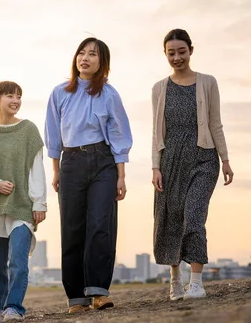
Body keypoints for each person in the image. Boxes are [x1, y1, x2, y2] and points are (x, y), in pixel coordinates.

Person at [44, 38, 132, 314]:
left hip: (103, 162)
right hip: (70, 162)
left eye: (92, 54)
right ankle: (76, 298)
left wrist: (121, 175)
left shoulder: (108, 93)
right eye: (81, 53)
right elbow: (54, 135)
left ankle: (98, 291)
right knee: (72, 227)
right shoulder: (60, 93)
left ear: (101, 62)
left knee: (100, 223)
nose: (85, 58)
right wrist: (56, 171)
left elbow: (119, 134)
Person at [151, 29, 234, 301]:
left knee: (195, 216)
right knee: (172, 219)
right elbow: (156, 132)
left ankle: (196, 283)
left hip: (203, 157)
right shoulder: (159, 88)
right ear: (165, 54)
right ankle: (175, 280)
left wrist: (225, 160)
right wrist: (155, 166)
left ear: (191, 50)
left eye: (181, 52)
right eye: (171, 53)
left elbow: (215, 123)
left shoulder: (208, 82)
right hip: (170, 159)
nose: (177, 57)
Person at [0, 81, 47, 322]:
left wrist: (40, 202)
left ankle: (14, 307)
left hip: (21, 206)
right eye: (10, 96)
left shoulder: (28, 129)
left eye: (19, 96)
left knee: (18, 260)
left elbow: (37, 168)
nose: (16, 100)